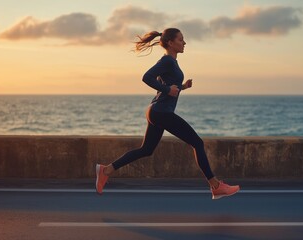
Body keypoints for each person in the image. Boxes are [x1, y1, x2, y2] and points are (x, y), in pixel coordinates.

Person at [96, 28, 239, 200]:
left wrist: (181, 87)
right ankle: (215, 186)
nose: (184, 43)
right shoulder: (168, 61)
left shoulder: (170, 62)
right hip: (161, 112)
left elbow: (164, 84)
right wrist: (166, 89)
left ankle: (106, 170)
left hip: (156, 111)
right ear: (171, 43)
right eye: (181, 39)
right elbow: (147, 77)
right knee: (198, 143)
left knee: (146, 150)